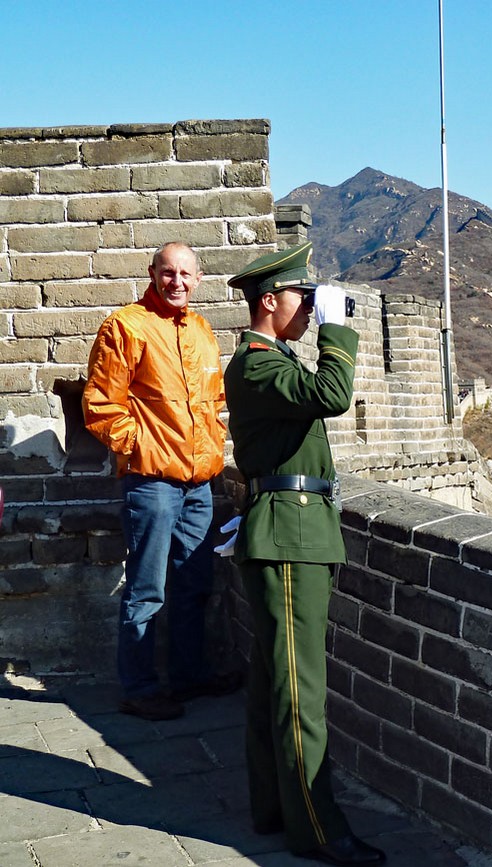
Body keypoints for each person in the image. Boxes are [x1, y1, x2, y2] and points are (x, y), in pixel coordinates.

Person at [223, 242, 385, 866]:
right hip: (288, 535)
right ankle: (317, 826)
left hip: (290, 530)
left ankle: (273, 809)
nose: (311, 309)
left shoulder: (268, 362)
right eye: (303, 298)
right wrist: (340, 330)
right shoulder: (259, 366)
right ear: (270, 301)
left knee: (273, 680)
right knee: (299, 690)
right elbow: (334, 392)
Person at [83, 242, 241, 721]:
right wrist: (141, 450)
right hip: (152, 483)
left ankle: (189, 676)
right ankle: (139, 687)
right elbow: (100, 405)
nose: (177, 281)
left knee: (194, 584)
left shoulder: (202, 330)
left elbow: (213, 403)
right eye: (167, 272)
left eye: (185, 274)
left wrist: (213, 445)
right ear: (151, 273)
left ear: (198, 279)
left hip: (199, 485)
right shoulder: (126, 326)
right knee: (147, 588)